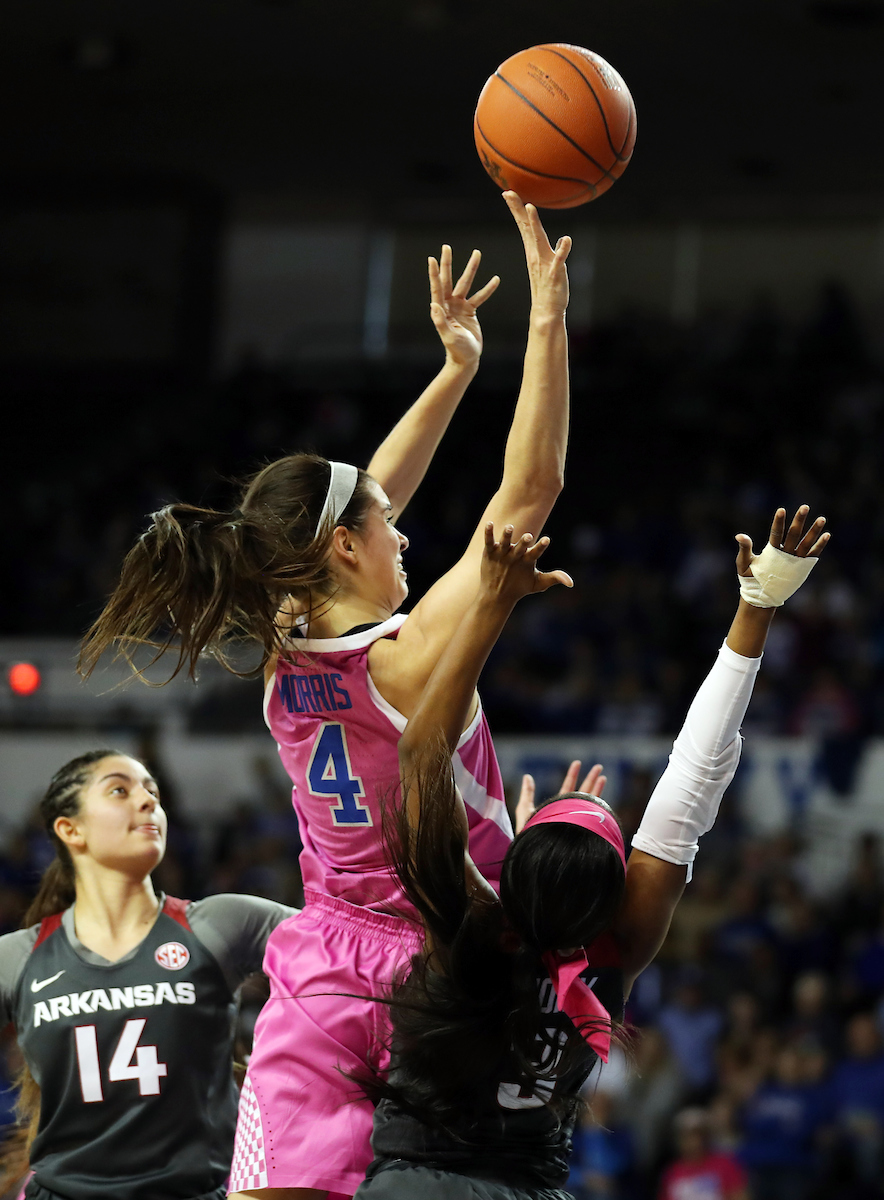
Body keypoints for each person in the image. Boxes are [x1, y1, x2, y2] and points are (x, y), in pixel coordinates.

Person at [78, 195, 573, 1199]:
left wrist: (454, 374)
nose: (407, 535)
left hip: (320, 972)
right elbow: (526, 495)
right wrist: (547, 321)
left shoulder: (279, 640)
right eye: (389, 529)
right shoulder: (408, 653)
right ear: (345, 547)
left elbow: (358, 502)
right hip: (441, 971)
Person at [354, 505, 828, 1200]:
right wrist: (755, 606)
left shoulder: (470, 923)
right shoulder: (617, 941)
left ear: (511, 875)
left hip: (419, 1184)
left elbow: (420, 752)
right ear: (613, 894)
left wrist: (491, 602)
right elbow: (696, 774)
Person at [0, 750, 295, 1200]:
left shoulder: (223, 922)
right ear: (70, 829)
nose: (147, 802)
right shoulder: (18, 957)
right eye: (120, 790)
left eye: (153, 794)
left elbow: (353, 951)